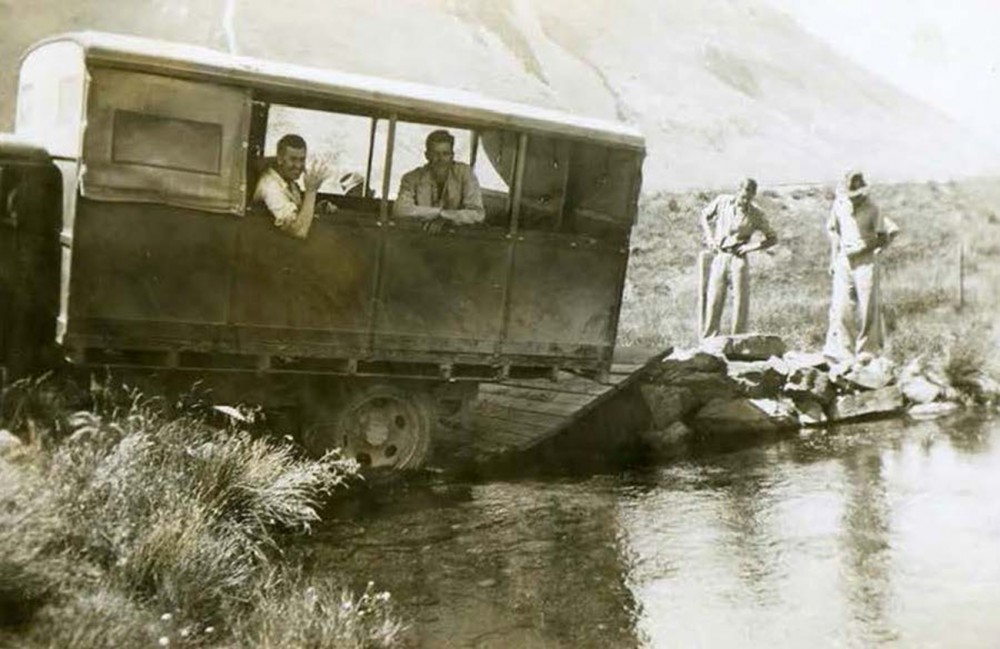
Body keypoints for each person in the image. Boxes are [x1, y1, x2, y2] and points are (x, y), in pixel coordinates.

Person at [823, 170, 899, 362]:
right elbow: (835, 232)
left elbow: (882, 237)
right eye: (850, 195)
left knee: (868, 306)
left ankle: (868, 350)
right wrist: (833, 259)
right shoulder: (839, 205)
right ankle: (842, 350)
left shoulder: (873, 207)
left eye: (857, 195)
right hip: (843, 259)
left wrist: (863, 248)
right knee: (841, 306)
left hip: (865, 259)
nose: (854, 199)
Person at [698, 177, 778, 338]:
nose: (745, 200)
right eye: (743, 196)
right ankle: (709, 340)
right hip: (721, 255)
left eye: (750, 196)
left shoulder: (756, 213)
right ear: (738, 191)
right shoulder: (722, 202)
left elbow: (772, 238)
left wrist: (750, 247)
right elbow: (704, 216)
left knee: (740, 302)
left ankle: (738, 341)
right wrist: (709, 237)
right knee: (714, 298)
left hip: (738, 258)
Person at [394, 129, 484, 233]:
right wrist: (439, 213)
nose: (440, 159)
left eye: (445, 154)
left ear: (452, 156)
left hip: (456, 237)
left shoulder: (465, 173)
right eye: (435, 154)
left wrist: (445, 218)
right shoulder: (412, 178)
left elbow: (477, 214)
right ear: (427, 155)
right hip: (421, 235)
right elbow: (400, 210)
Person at [253, 134, 331, 239]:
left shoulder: (289, 182)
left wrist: (317, 208)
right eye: (293, 159)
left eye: (302, 160)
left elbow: (297, 214)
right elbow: (299, 231)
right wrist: (311, 191)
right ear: (280, 159)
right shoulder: (270, 187)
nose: (298, 165)